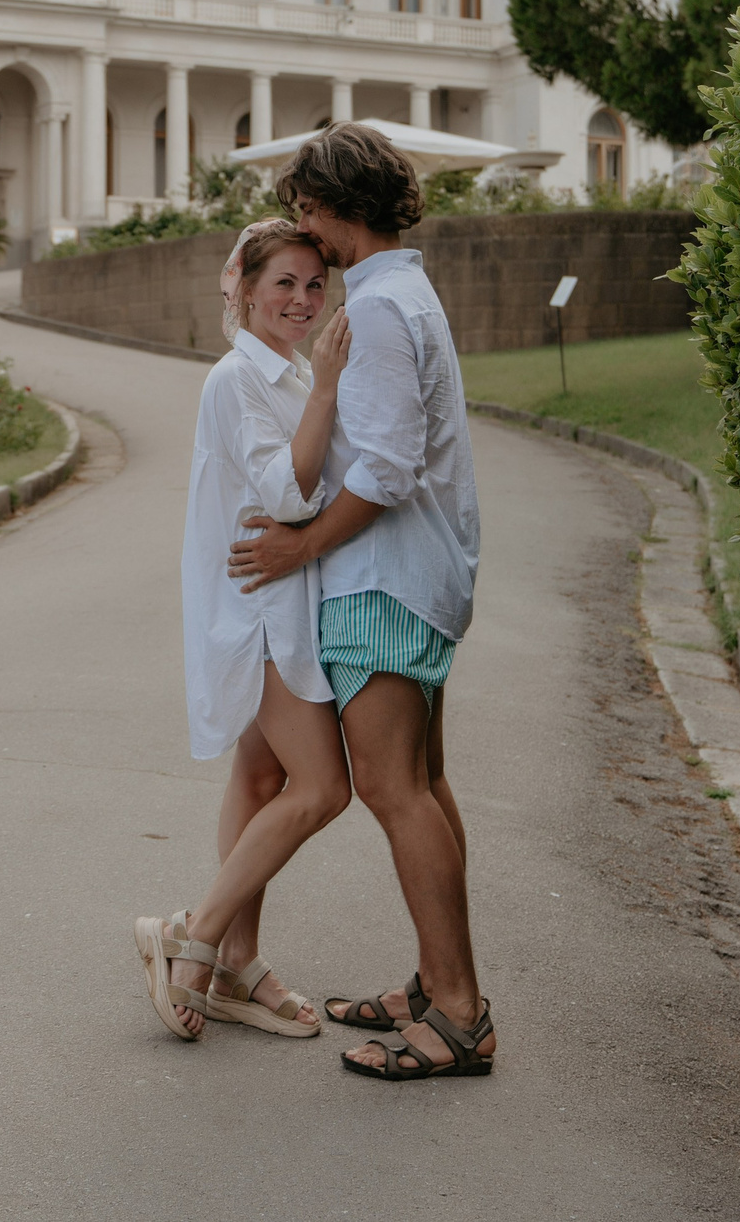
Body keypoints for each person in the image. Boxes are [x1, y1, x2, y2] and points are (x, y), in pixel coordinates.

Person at [228, 123, 492, 1082]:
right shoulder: (402, 294)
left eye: (306, 208)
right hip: (419, 573)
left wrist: (300, 542)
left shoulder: (380, 309)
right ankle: (438, 985)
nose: (304, 228)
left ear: (340, 205)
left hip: (382, 579)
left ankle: (457, 1013)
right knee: (423, 780)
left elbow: (381, 469)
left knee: (391, 788)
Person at [134, 220, 354, 1041]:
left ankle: (238, 962)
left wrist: (318, 382)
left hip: (288, 603)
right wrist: (329, 385)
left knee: (260, 785)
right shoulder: (239, 379)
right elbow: (289, 494)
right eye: (285, 285)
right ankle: (193, 938)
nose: (303, 300)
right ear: (247, 290)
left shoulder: (288, 374)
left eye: (314, 285)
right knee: (324, 787)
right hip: (262, 612)